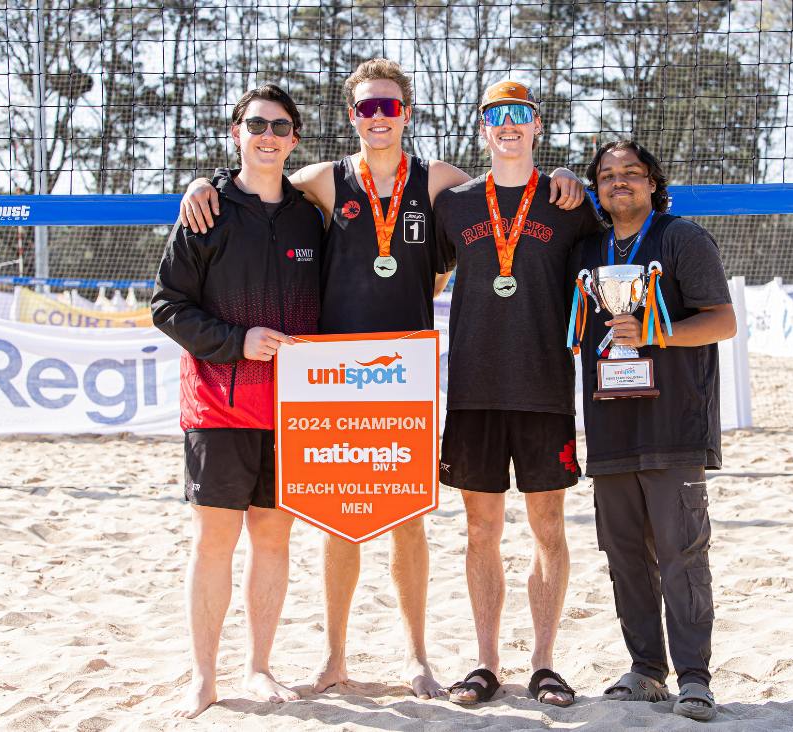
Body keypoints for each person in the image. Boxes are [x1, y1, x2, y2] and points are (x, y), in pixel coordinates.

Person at [176, 59, 587, 700]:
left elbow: (504, 193)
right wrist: (202, 182)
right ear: (352, 116)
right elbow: (256, 177)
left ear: (407, 113)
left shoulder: (442, 185)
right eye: (366, 107)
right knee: (336, 523)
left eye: (389, 106)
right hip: (331, 376)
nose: (378, 117)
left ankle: (418, 655)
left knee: (408, 523)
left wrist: (565, 175)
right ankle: (335, 655)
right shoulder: (322, 180)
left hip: (405, 375)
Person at [151, 83, 323, 719]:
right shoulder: (206, 210)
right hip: (219, 407)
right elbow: (166, 306)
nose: (268, 135)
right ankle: (203, 677)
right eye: (256, 124)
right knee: (214, 543)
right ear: (236, 132)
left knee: (273, 542)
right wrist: (235, 341)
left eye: (280, 126)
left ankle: (258, 667)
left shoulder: (312, 215)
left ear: (295, 139)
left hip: (293, 409)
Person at [432, 79, 603, 707]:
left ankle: (544, 663)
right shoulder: (454, 203)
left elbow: (626, 218)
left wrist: (573, 176)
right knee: (481, 530)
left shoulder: (568, 203)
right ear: (482, 128)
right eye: (495, 115)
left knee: (549, 527)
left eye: (519, 115)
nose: (507, 125)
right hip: (474, 391)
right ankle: (484, 662)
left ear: (537, 125)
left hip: (544, 389)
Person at [574, 139, 735, 721]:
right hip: (610, 425)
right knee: (623, 556)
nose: (620, 182)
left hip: (674, 425)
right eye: (608, 175)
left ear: (652, 182)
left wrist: (653, 333)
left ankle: (695, 679)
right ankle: (646, 671)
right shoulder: (588, 249)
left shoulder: (681, 238)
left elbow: (723, 322)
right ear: (596, 188)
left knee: (681, 556)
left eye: (632, 173)